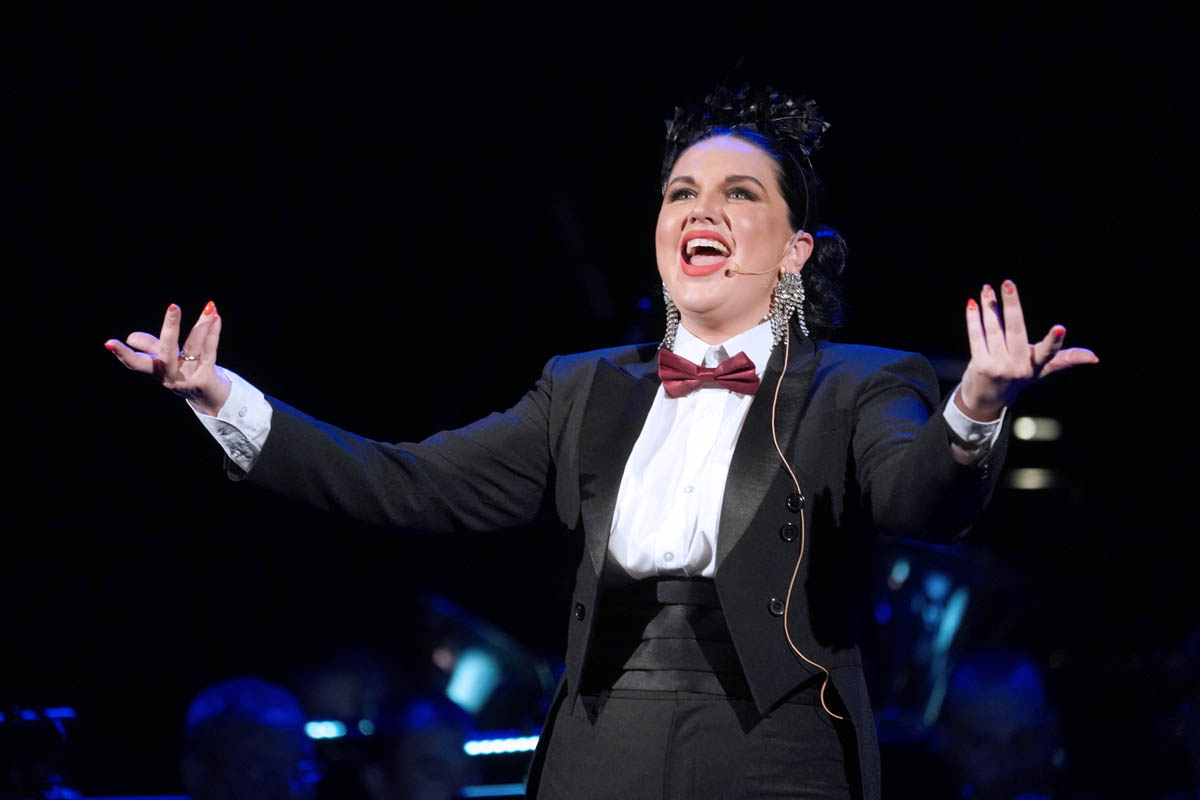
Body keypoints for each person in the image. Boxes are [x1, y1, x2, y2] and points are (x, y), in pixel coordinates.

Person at [105, 86, 1097, 800]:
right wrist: (223, 396)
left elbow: (919, 496)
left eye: (739, 193)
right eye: (681, 192)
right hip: (597, 737)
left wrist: (976, 405)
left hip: (774, 744)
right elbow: (409, 483)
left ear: (796, 249)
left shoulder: (860, 381)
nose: (701, 208)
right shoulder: (582, 387)